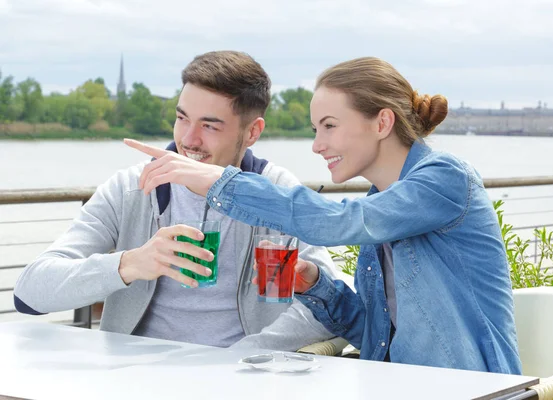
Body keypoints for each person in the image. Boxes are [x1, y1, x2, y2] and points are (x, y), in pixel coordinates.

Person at [124, 56, 523, 374]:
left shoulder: (444, 180)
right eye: (316, 129)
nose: (317, 145)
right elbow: (375, 336)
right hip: (400, 384)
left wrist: (218, 180)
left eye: (329, 126)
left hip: (468, 386)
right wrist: (316, 286)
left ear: (382, 122)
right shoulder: (381, 202)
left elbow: (340, 222)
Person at [13, 51, 337, 351]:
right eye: (182, 118)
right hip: (133, 377)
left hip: (240, 380)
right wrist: (130, 264)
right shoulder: (130, 189)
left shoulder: (277, 191)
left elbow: (332, 307)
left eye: (209, 125)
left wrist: (248, 354)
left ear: (252, 132)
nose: (188, 139)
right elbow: (29, 294)